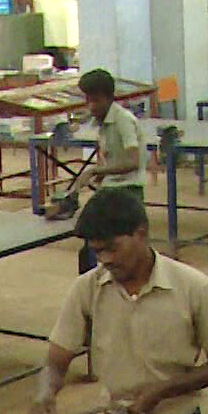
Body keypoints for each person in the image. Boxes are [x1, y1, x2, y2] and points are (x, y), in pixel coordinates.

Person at [29, 188, 208, 414]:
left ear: (141, 233)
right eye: (97, 251)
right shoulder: (87, 289)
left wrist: (164, 389)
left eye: (112, 248)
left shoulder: (194, 288)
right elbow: (56, 362)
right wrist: (46, 390)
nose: (105, 259)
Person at [57, 68, 146, 274]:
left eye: (95, 101)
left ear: (108, 98)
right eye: (88, 100)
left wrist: (96, 170)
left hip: (128, 191)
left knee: (119, 251)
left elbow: (132, 161)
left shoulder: (123, 119)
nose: (91, 106)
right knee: (88, 246)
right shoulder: (101, 119)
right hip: (110, 188)